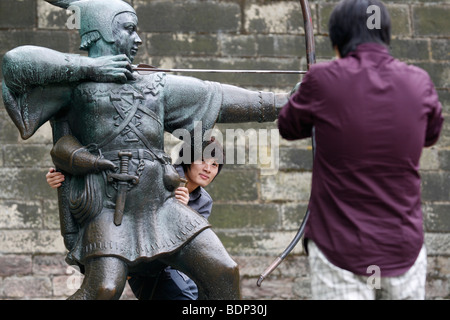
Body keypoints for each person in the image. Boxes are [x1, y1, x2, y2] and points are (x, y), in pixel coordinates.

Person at [3, 0, 290, 300]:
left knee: (223, 271)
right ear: (103, 31)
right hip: (110, 209)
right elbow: (14, 64)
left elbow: (216, 95)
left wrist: (286, 104)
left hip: (162, 207)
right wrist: (91, 67)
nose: (138, 39)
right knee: (103, 289)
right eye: (129, 29)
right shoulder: (74, 85)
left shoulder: (156, 85)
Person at [277, 0, 443, 300]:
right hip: (403, 249)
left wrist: (312, 87)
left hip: (340, 250)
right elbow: (430, 134)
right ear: (385, 35)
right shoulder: (420, 82)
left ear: (338, 40)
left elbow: (288, 126)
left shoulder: (323, 79)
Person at [46, 138, 224, 300]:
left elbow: (190, 246)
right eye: (202, 160)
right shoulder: (160, 174)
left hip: (176, 266)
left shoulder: (204, 201)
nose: (208, 169)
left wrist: (185, 212)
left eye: (215, 165)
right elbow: (110, 187)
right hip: (140, 259)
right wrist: (62, 178)